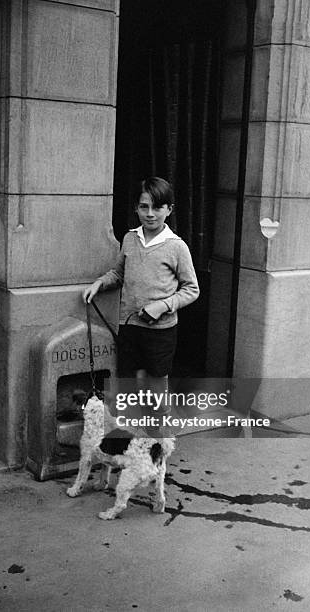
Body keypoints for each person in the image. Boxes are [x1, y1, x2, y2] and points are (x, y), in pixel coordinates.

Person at [83, 177, 199, 435]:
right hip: (129, 326)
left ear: (169, 209)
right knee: (129, 385)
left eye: (157, 207)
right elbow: (119, 274)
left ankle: (161, 441)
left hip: (161, 331)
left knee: (156, 385)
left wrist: (162, 306)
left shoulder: (176, 246)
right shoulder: (130, 239)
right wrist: (100, 284)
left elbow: (192, 289)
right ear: (136, 208)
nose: (150, 214)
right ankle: (131, 442)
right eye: (144, 207)